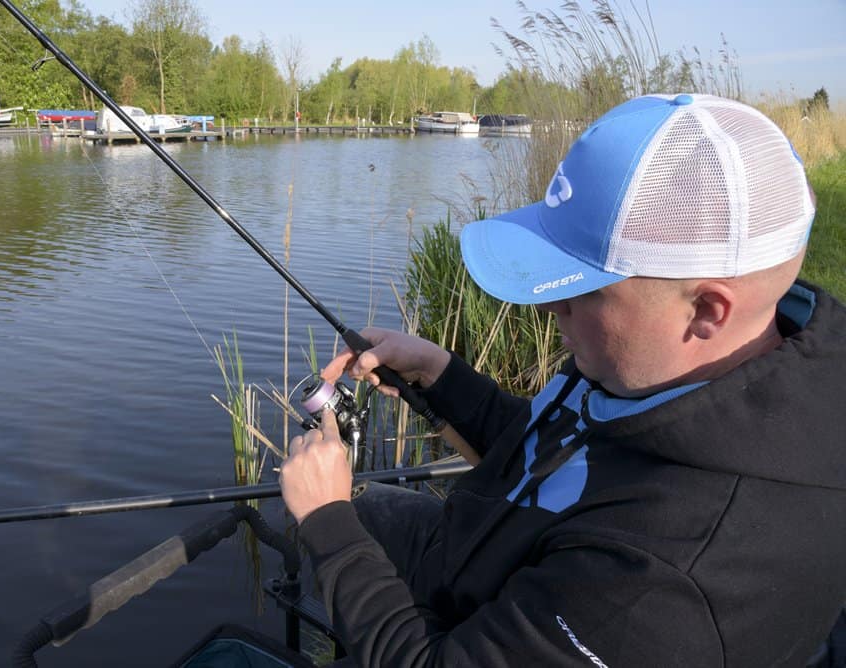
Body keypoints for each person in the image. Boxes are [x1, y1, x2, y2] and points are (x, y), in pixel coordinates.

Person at [278, 93, 846, 667]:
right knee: (363, 514)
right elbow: (560, 458)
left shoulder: (666, 583)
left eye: (584, 289)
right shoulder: (656, 367)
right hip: (482, 559)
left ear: (706, 310)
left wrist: (328, 526)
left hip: (475, 628)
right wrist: (438, 374)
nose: (551, 308)